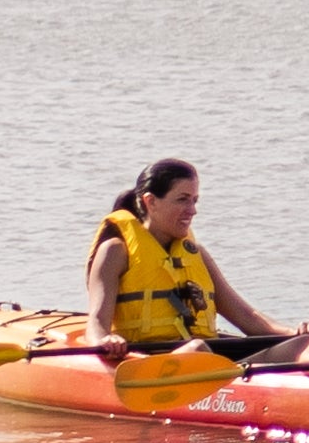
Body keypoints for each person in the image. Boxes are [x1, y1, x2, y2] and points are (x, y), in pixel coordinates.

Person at [85, 158, 297, 369]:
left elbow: (247, 318)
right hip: (147, 358)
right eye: (182, 199)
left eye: (195, 200)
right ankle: (229, 378)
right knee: (197, 350)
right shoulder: (115, 251)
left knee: (301, 344)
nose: (192, 210)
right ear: (151, 202)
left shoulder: (197, 254)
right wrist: (106, 341)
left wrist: (293, 333)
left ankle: (235, 377)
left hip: (204, 356)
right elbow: (96, 324)